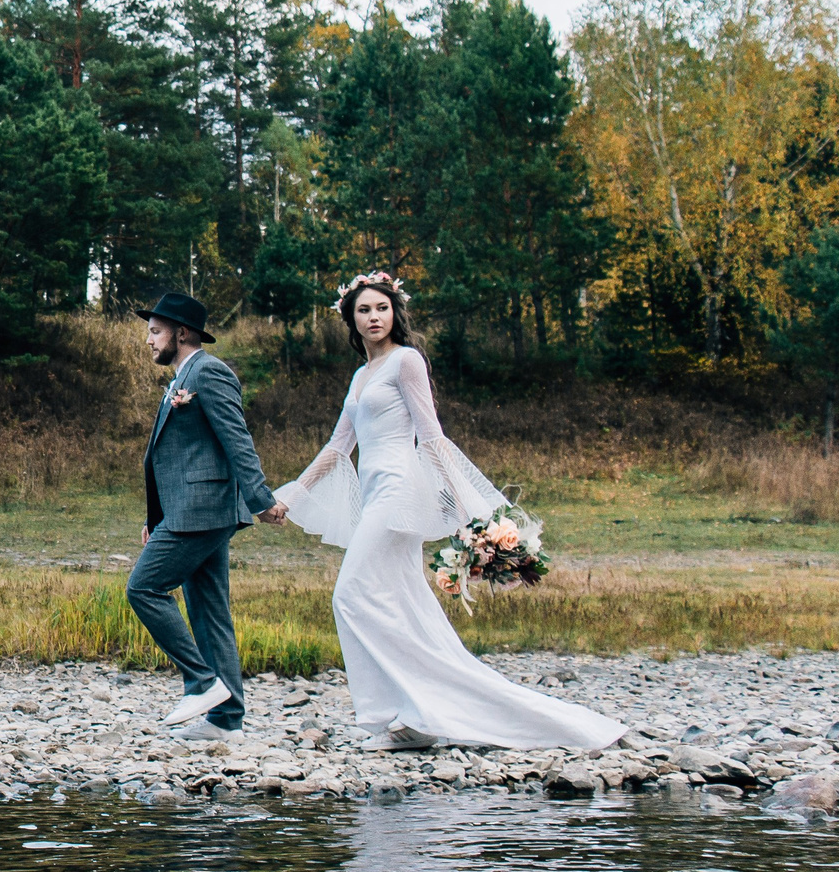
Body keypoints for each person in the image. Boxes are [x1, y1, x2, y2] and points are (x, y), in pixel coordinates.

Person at [271, 271, 624, 752]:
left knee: (350, 596)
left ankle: (400, 712)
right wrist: (289, 497)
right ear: (350, 320)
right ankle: (417, 718)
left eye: (381, 308)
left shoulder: (406, 361)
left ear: (394, 312)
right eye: (363, 310)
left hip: (398, 495)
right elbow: (338, 446)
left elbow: (432, 435)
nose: (374, 317)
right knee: (406, 606)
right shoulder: (360, 375)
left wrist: (466, 508)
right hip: (374, 496)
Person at [128, 291, 285, 734]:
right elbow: (172, 456)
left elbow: (237, 440)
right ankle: (226, 721)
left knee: (144, 588)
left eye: (155, 331)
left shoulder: (209, 372)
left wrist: (261, 499)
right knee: (209, 611)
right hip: (189, 510)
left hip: (203, 508)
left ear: (182, 333)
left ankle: (201, 682)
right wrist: (156, 517)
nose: (149, 340)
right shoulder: (182, 377)